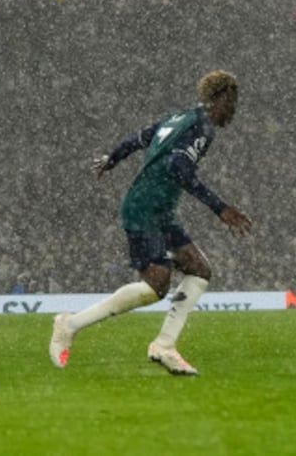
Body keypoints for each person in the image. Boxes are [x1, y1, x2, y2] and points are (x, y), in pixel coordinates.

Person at [49, 70, 253, 375]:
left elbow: (138, 138)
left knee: (200, 269)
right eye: (232, 102)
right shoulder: (202, 127)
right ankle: (70, 324)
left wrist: (113, 158)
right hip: (144, 209)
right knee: (156, 285)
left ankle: (164, 345)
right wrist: (219, 208)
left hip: (159, 211)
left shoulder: (179, 118)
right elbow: (179, 168)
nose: (234, 110)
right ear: (219, 98)